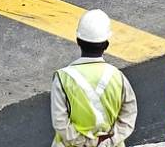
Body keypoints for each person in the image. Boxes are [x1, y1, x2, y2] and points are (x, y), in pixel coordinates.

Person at [51, 9, 137, 147]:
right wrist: (108, 142)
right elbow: (128, 117)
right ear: (106, 45)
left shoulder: (62, 78)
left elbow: (60, 123)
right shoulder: (118, 77)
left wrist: (86, 143)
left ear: (78, 40)